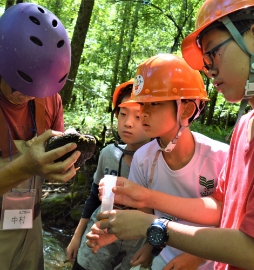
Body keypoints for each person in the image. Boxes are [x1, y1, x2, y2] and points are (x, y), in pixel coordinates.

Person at [88, 1, 254, 269]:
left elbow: (253, 251)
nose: (210, 72)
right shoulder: (245, 125)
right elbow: (219, 205)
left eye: (214, 55)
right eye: (205, 63)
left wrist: (154, 226)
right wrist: (145, 199)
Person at [87, 54, 229, 270]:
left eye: (154, 103)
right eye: (142, 104)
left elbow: (231, 218)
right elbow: (147, 216)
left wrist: (197, 257)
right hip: (166, 252)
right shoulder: (144, 159)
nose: (143, 113)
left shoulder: (220, 158)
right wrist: (147, 244)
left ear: (187, 109)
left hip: (216, 258)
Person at [0, 2, 75, 270]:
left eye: (38, 90)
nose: (29, 96)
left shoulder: (50, 102)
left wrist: (64, 163)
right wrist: (25, 167)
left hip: (28, 225)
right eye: (19, 86)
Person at [67, 79, 150, 270]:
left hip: (134, 250)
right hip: (95, 244)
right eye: (122, 114)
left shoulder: (159, 164)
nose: (128, 123)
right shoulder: (108, 154)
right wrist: (77, 237)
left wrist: (150, 247)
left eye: (138, 117)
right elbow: (93, 199)